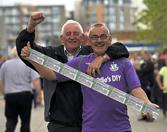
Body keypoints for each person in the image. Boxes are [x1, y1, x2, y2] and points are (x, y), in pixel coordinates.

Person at [21, 23, 157, 132]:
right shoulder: (80, 62)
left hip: (120, 127)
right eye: (95, 37)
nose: (99, 40)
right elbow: (51, 74)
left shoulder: (123, 62)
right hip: (91, 128)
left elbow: (135, 88)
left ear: (109, 39)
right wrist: (31, 59)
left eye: (103, 36)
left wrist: (146, 103)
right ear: (89, 40)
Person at [0, 47, 42, 132]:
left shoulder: (5, 65)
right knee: (25, 122)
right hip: (25, 95)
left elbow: (1, 81)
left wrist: (4, 93)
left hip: (10, 95)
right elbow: (36, 80)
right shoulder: (28, 63)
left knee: (11, 121)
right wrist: (39, 95)